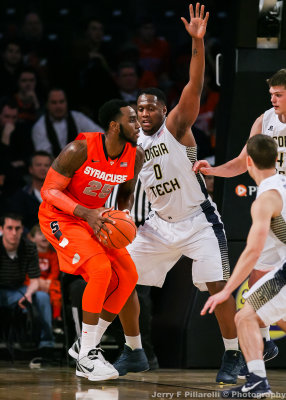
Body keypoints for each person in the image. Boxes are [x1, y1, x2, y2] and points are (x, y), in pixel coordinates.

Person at [69, 3, 241, 383]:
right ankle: (131, 350)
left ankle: (233, 356)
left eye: (150, 107)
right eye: (139, 109)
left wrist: (198, 43)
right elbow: (129, 187)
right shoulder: (132, 149)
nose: (144, 113)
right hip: (159, 225)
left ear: (163, 109)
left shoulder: (177, 125)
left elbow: (195, 84)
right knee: (123, 275)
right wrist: (123, 214)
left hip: (198, 221)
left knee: (217, 284)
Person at [38, 99, 144, 381]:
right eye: (132, 119)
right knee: (100, 270)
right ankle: (86, 357)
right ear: (114, 126)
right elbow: (48, 191)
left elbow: (125, 192)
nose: (138, 124)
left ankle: (85, 346)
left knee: (128, 275)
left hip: (95, 217)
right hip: (59, 217)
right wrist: (88, 213)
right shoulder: (80, 148)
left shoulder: (136, 154)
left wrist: (123, 215)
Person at [193, 68, 286, 363]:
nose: (273, 99)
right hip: (274, 201)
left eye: (279, 95)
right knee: (259, 276)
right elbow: (242, 162)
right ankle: (264, 342)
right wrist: (213, 170)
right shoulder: (264, 121)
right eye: (271, 94)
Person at [201, 134, 286, 397]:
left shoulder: (265, 199)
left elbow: (253, 250)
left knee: (244, 316)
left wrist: (227, 291)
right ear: (277, 158)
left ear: (248, 161)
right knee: (258, 315)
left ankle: (258, 383)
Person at [0, 213, 54, 350]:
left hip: (19, 289)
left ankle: (47, 343)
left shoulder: (29, 247)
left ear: (22, 229)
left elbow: (35, 280)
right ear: (2, 229)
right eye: (10, 228)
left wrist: (28, 294)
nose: (14, 233)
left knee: (42, 297)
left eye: (17, 228)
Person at [32, 88, 102, 157]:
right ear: (47, 105)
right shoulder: (39, 127)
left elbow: (100, 135)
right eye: (54, 103)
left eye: (61, 102)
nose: (58, 106)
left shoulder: (78, 118)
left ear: (66, 103)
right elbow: (44, 155)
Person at [5, 151, 53, 231]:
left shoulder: (60, 194)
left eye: (46, 165)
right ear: (30, 169)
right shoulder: (20, 197)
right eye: (38, 165)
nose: (43, 168)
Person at [29, 224, 62, 324]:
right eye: (40, 234)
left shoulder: (53, 254)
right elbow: (28, 270)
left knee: (56, 287)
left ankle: (57, 316)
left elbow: (55, 271)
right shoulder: (30, 254)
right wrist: (38, 281)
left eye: (46, 233)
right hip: (34, 281)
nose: (44, 236)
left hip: (49, 282)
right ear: (32, 238)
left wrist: (48, 281)